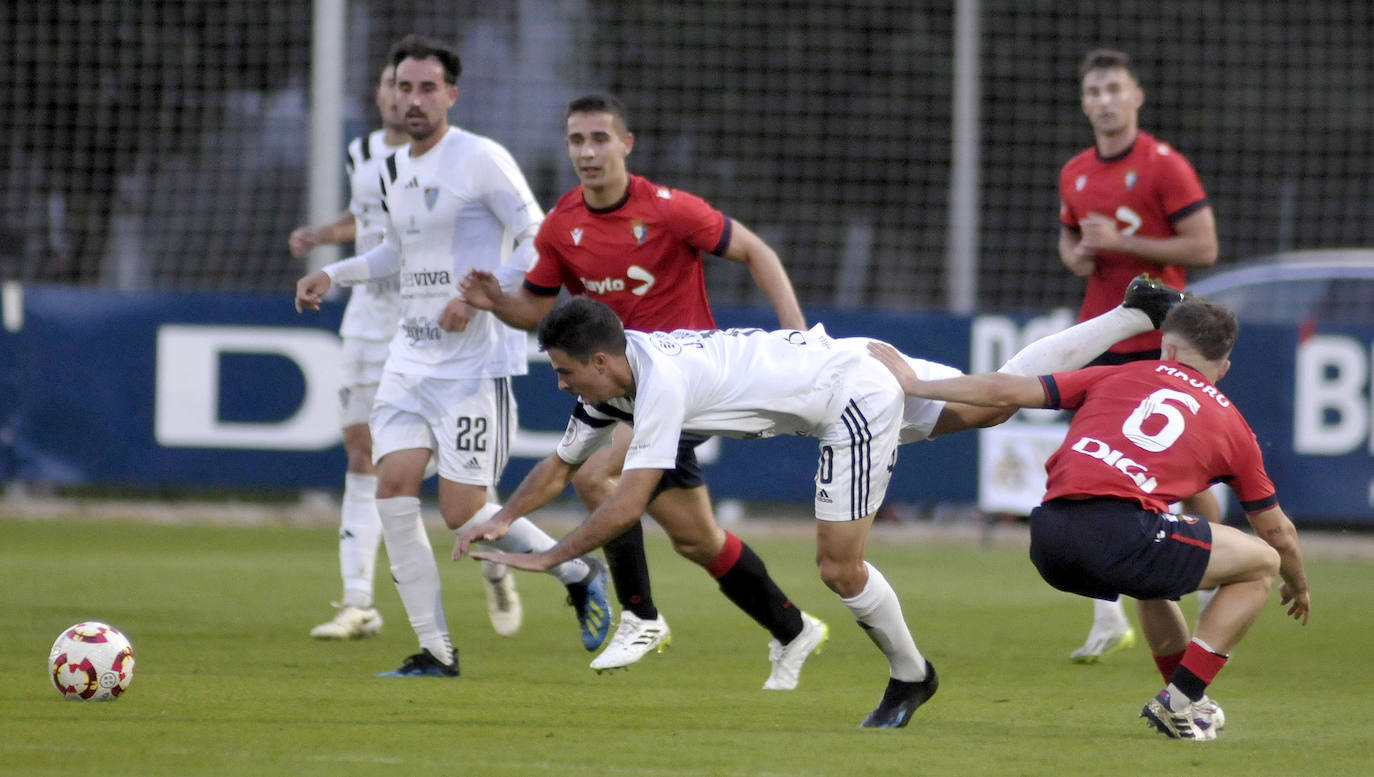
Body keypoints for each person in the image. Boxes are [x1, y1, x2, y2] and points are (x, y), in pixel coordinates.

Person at [454, 279, 1179, 727]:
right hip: (844, 358)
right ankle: (1136, 315)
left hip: (850, 395)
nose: (560, 384)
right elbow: (561, 463)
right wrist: (506, 516)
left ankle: (911, 675)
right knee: (991, 403)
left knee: (839, 567)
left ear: (602, 362)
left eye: (563, 371)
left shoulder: (660, 383)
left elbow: (625, 502)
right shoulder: (616, 377)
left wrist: (549, 554)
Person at [294, 35, 611, 677]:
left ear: (451, 95)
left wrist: (487, 292)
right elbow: (393, 254)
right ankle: (435, 651)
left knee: (463, 512)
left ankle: (577, 572)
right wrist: (337, 274)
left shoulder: (481, 159)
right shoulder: (393, 168)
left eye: (428, 88)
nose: (414, 100)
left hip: (471, 367)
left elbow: (539, 235)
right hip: (408, 360)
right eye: (405, 87)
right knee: (392, 488)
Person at [459, 92, 808, 674]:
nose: (587, 151)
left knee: (599, 475)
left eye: (599, 138)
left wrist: (799, 338)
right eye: (576, 140)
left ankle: (642, 618)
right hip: (620, 390)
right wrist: (497, 303)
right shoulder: (562, 225)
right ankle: (792, 627)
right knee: (698, 540)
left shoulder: (671, 210)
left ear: (626, 143)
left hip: (688, 385)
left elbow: (756, 251)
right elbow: (537, 314)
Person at [870, 298, 1310, 740]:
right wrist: (1297, 582)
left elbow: (1006, 390)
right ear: (1225, 367)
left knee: (1154, 576)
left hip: (1049, 536)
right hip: (1122, 535)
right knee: (1262, 564)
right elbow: (1277, 534)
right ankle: (1180, 699)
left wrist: (915, 384)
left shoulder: (1118, 373)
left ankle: (1186, 700)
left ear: (1168, 349)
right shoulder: (1232, 426)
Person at [1057, 48, 1221, 662]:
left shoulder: (1163, 165)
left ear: (1136, 97)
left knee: (1184, 469)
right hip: (1099, 337)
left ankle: (1217, 570)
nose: (1103, 100)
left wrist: (1124, 240)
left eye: (1113, 89)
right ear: (1084, 101)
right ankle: (1106, 614)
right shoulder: (1074, 171)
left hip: (1161, 338)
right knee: (1087, 467)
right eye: (1093, 90)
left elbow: (1203, 246)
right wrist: (1073, 253)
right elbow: (1071, 234)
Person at [286, 57, 408, 641]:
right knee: (361, 452)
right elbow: (363, 224)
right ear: (381, 93)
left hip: (423, 327)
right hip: (365, 322)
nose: (398, 95)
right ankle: (359, 600)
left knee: (459, 489)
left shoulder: (453, 160)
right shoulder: (361, 153)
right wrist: (320, 235)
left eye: (410, 86)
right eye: (390, 84)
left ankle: (519, 568)